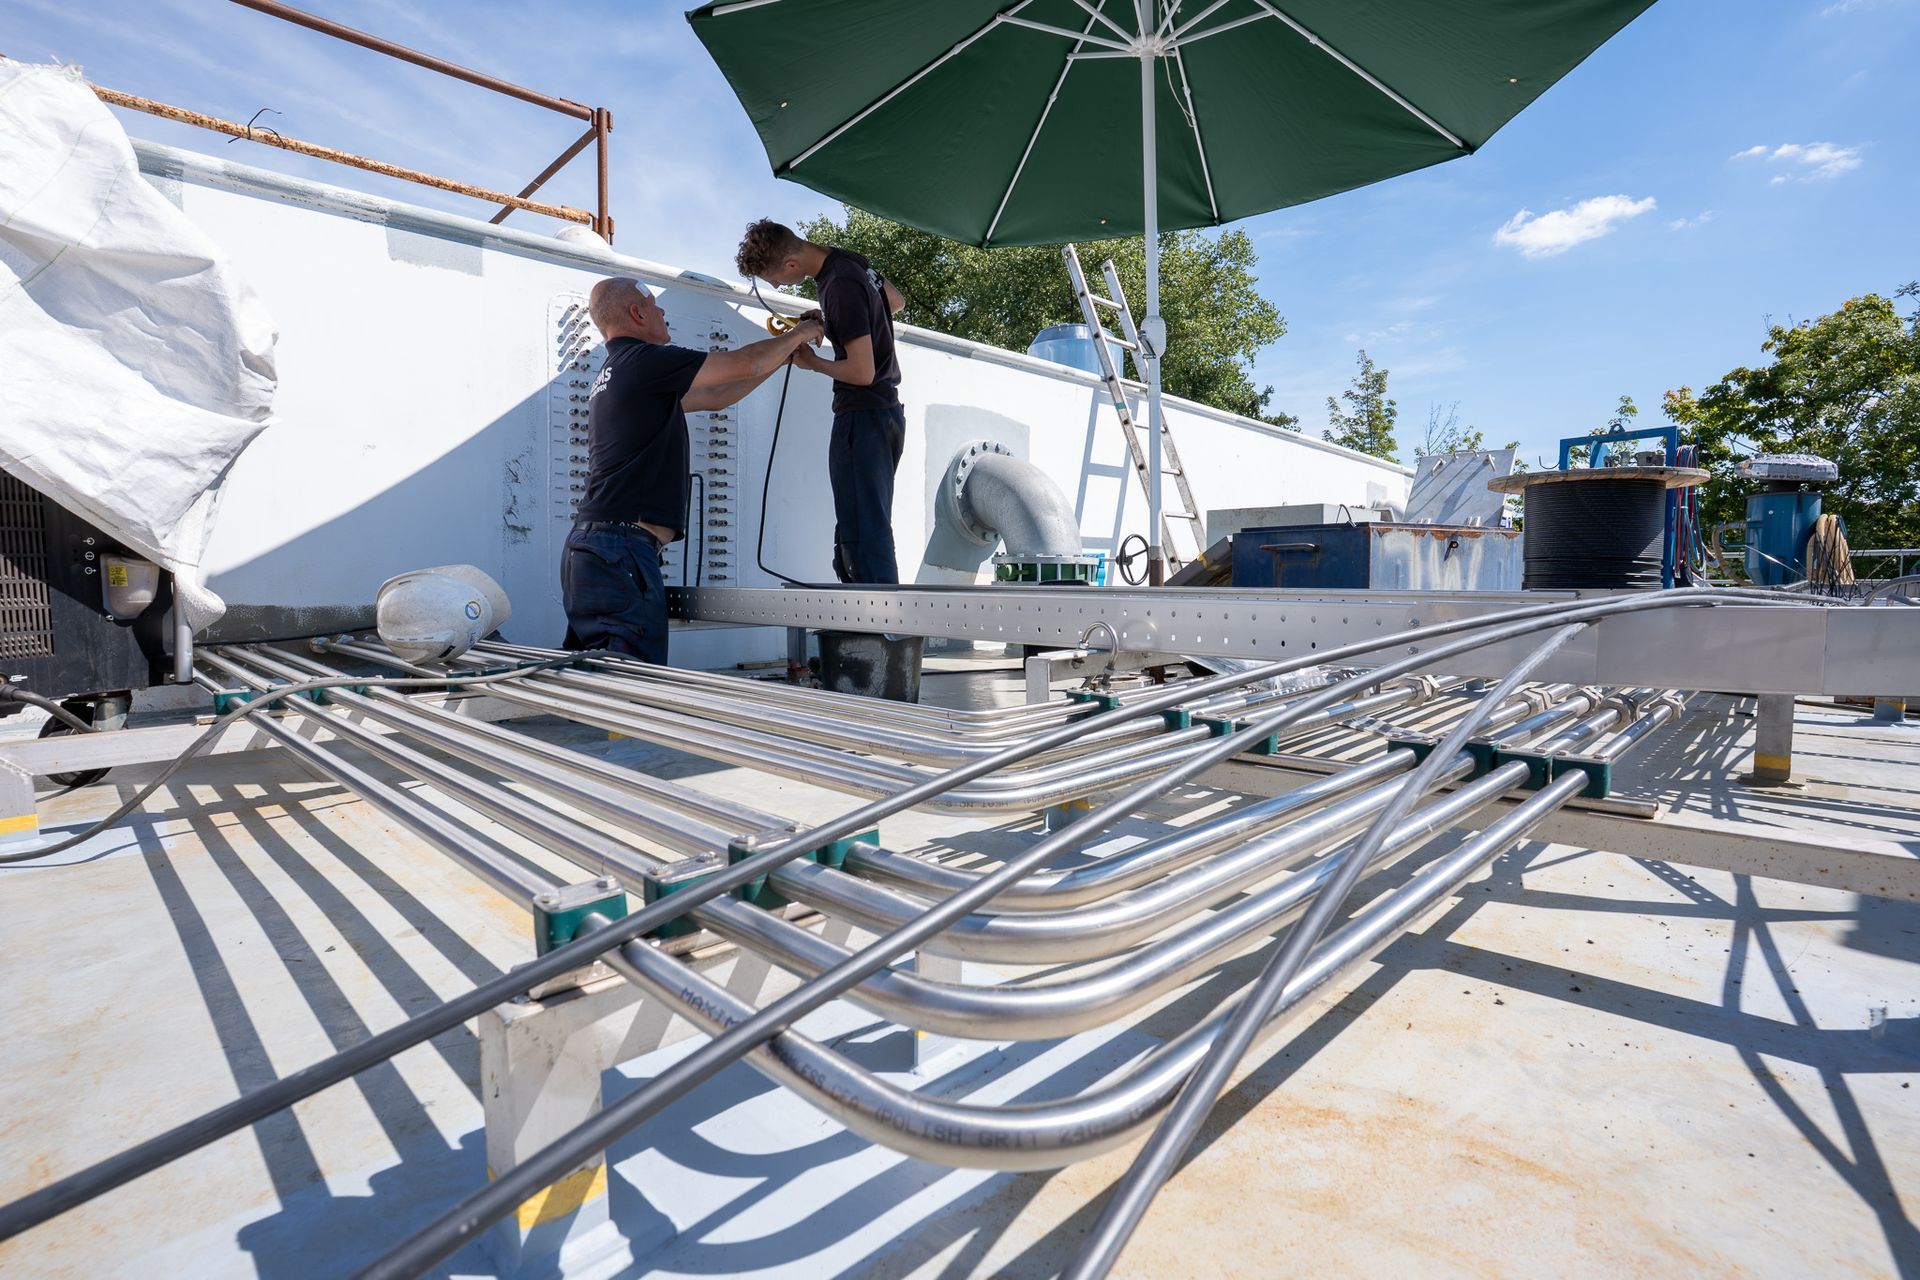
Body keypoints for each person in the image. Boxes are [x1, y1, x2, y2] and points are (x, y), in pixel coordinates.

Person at [564, 276, 821, 663]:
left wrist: (786, 354)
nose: (662, 312)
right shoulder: (643, 361)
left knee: (602, 687)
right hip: (620, 549)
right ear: (636, 313)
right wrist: (805, 330)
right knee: (635, 688)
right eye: (654, 307)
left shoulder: (621, 372)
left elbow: (718, 396)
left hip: (600, 549)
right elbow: (745, 362)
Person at [734, 219, 907, 584]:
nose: (778, 286)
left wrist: (811, 362)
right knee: (868, 523)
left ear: (791, 265)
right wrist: (835, 322)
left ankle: (877, 630)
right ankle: (882, 626)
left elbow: (862, 373)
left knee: (863, 533)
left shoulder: (837, 284)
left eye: (774, 278)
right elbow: (894, 302)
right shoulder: (849, 261)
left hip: (861, 418)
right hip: (887, 415)